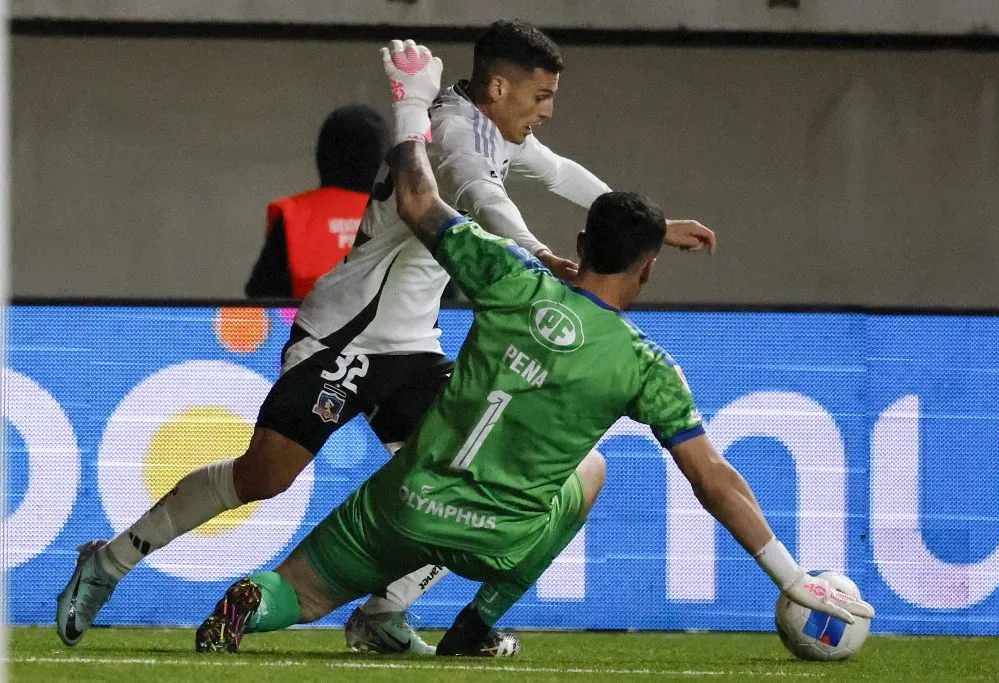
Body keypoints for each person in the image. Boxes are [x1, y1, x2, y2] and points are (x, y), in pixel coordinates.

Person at [192, 40, 875, 657]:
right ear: (648, 268)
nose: (546, 110)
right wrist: (795, 578)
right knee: (592, 472)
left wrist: (411, 107)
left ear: (578, 250)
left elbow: (420, 198)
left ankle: (261, 600)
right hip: (499, 535)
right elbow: (714, 480)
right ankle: (476, 621)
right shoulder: (646, 363)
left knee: (300, 589)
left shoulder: (509, 278)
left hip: (407, 502)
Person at [55, 20, 715, 654]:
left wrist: (649, 228)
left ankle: (383, 611)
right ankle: (108, 562)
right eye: (541, 96)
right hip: (347, 336)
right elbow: (487, 203)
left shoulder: (497, 128)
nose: (547, 110)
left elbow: (558, 171)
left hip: (415, 348)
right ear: (501, 89)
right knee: (264, 476)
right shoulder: (456, 134)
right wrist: (548, 256)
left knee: (462, 489)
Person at [245, 104, 389, 299]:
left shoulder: (294, 215)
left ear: (324, 153)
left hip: (305, 327)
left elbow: (262, 299)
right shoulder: (406, 217)